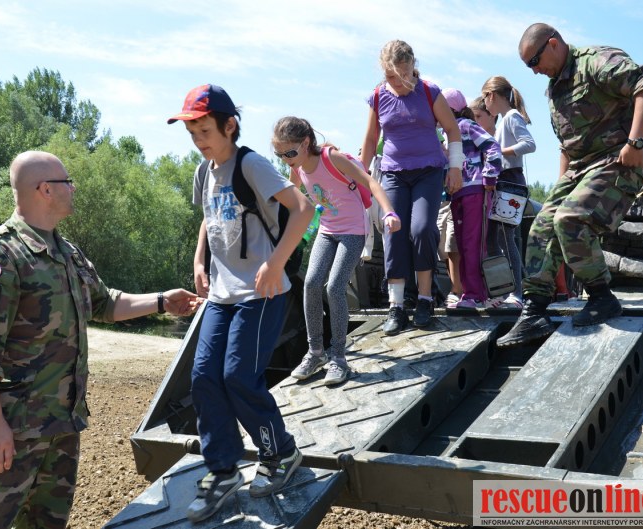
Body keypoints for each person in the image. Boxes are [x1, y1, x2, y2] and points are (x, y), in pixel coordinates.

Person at [0, 151, 200, 529]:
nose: (74, 188)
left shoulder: (67, 252)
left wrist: (162, 301)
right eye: (68, 182)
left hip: (61, 426)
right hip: (13, 428)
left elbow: (105, 303)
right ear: (45, 189)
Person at [168, 84, 314, 522]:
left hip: (262, 292)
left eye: (205, 131)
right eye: (192, 134)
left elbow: (303, 208)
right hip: (222, 292)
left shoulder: (251, 165)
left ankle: (280, 454)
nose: (199, 141)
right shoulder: (204, 171)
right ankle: (223, 470)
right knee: (203, 377)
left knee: (238, 376)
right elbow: (209, 216)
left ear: (229, 126)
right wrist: (199, 259)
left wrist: (276, 263)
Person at [497, 23, 643, 347]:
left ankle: (602, 297)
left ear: (553, 44)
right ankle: (534, 311)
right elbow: (567, 146)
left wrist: (636, 142)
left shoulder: (595, 61)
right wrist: (560, 188)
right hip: (580, 168)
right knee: (543, 225)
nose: (534, 71)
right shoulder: (555, 89)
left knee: (570, 219)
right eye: (528, 66)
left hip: (619, 158)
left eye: (535, 61)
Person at [272, 117, 400, 385]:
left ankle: (339, 357)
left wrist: (389, 212)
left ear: (306, 143)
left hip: (353, 230)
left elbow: (371, 182)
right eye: (279, 155)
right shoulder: (297, 168)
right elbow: (289, 200)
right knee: (311, 284)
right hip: (327, 231)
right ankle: (316, 352)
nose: (286, 160)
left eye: (290, 153)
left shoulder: (332, 159)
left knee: (334, 287)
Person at [360, 39, 463, 335]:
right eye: (390, 75)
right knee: (393, 228)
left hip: (428, 172)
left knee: (421, 229)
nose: (397, 81)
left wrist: (455, 168)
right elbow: (370, 140)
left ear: (412, 67)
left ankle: (425, 299)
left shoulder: (429, 92)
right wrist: (360, 176)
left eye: (402, 75)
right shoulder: (378, 96)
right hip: (393, 174)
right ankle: (396, 306)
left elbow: (452, 130)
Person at [441, 88, 503, 308]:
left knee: (472, 243)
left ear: (449, 109)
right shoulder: (444, 135)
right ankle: (472, 293)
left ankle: (476, 294)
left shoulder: (466, 126)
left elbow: (492, 146)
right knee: (462, 245)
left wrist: (489, 176)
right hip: (456, 193)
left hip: (475, 190)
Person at [481, 75, 536, 308]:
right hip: (503, 182)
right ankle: (504, 291)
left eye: (485, 98)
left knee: (506, 238)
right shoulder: (504, 120)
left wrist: (500, 151)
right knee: (493, 239)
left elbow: (529, 144)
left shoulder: (512, 116)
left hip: (511, 181)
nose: (484, 104)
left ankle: (517, 293)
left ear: (492, 95)